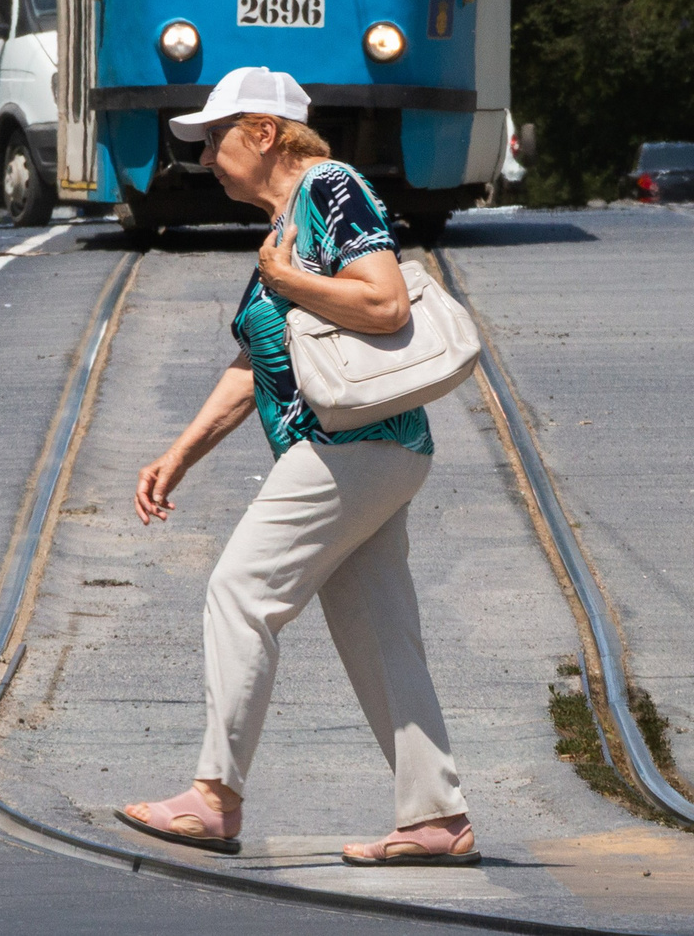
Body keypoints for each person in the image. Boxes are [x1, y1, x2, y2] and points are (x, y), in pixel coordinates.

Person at [121, 67, 477, 868]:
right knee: (379, 630)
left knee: (240, 590)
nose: (207, 155)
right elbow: (254, 364)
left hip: (351, 444)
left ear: (265, 131)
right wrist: (177, 456)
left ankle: (214, 796)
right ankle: (436, 818)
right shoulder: (284, 223)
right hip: (373, 452)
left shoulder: (331, 186)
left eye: (216, 137)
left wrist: (288, 279)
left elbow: (384, 302)